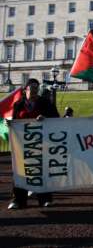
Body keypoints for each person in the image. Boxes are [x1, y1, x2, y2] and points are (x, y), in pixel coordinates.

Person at [8, 78, 60, 210]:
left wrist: (45, 119)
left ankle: (45, 199)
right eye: (32, 88)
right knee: (20, 171)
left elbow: (56, 119)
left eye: (37, 88)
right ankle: (18, 200)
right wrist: (10, 123)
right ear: (26, 89)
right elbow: (13, 120)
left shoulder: (45, 103)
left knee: (41, 170)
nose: (35, 90)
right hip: (22, 144)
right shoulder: (18, 104)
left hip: (42, 143)